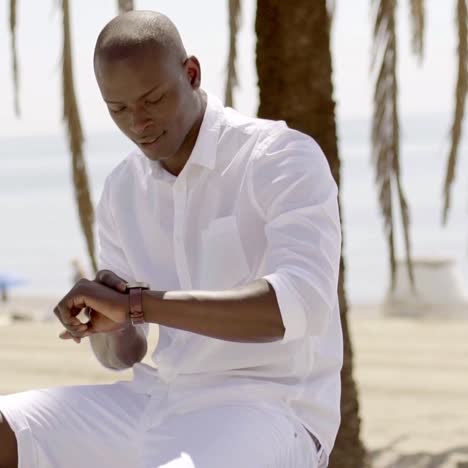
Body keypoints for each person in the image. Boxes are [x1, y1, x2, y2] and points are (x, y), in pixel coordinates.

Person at [0, 10, 343, 468]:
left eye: (153, 99)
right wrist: (110, 321)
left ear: (192, 74)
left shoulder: (279, 157)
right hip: (154, 400)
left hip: (268, 407)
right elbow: (126, 355)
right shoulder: (123, 188)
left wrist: (139, 304)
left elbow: (298, 305)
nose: (137, 123)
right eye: (117, 109)